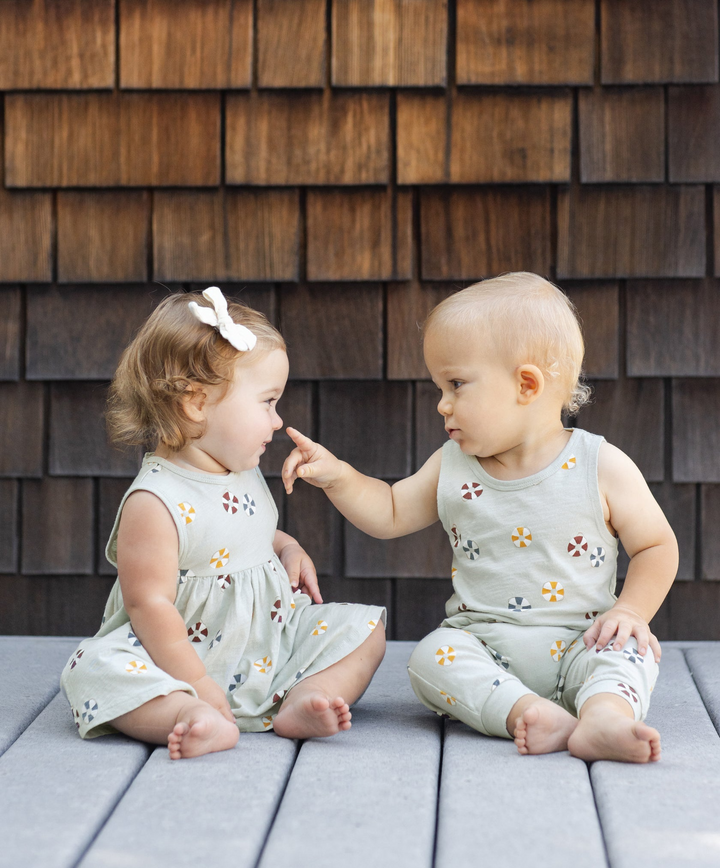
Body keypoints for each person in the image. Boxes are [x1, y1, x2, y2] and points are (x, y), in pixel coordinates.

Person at [282, 272, 678, 763]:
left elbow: (657, 546)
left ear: (526, 384)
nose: (443, 404)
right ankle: (527, 712)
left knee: (633, 653)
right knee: (431, 658)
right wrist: (338, 475)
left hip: (585, 640)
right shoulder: (451, 465)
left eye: (456, 384)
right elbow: (388, 510)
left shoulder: (600, 465)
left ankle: (604, 718)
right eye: (439, 388)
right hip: (484, 646)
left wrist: (630, 612)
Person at [61, 287, 386, 759]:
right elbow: (148, 603)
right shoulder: (155, 501)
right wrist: (196, 682)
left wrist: (287, 547)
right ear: (197, 404)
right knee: (92, 667)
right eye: (267, 402)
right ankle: (187, 713)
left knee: (365, 630)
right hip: (175, 660)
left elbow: (243, 533)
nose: (277, 422)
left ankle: (299, 701)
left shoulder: (240, 469)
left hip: (266, 643)